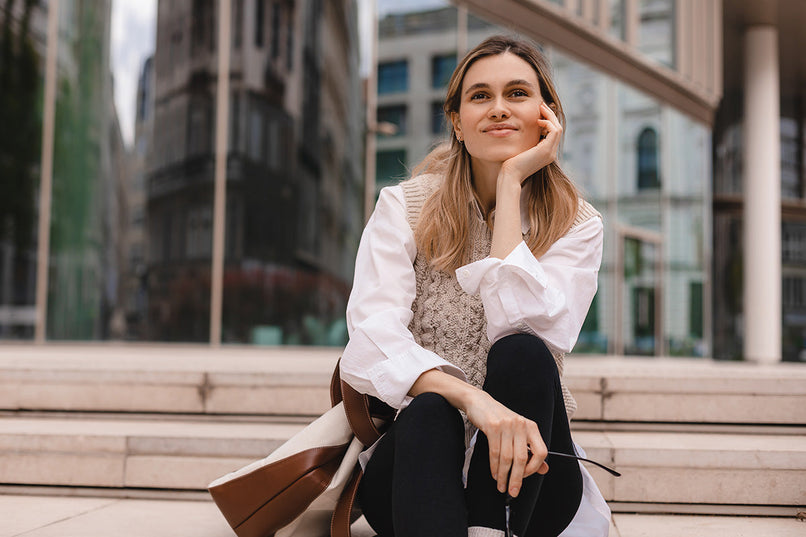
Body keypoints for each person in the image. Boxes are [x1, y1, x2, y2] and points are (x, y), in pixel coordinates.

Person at [340, 35, 609, 537]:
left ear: (547, 117)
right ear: (458, 123)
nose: (499, 109)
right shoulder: (404, 208)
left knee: (525, 353)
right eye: (480, 96)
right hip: (415, 465)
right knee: (433, 406)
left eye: (518, 94)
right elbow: (370, 342)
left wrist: (511, 184)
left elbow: (525, 330)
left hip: (533, 476)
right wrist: (472, 400)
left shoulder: (579, 225)